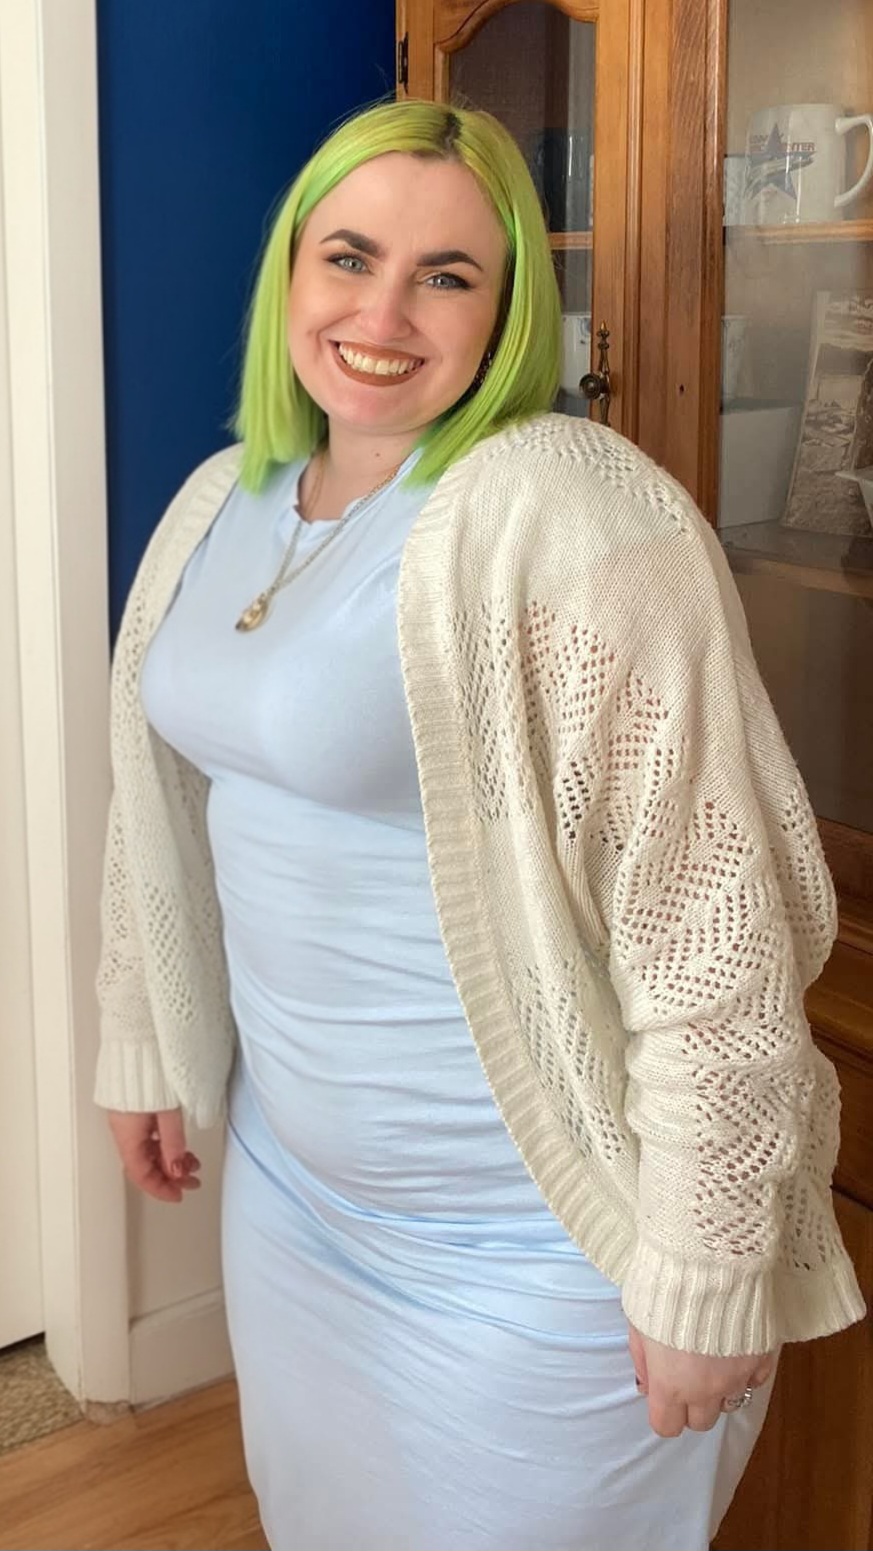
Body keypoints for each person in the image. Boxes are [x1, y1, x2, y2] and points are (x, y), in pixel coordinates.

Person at [96, 98, 865, 1551]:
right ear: (290, 271)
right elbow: (167, 810)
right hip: (292, 1193)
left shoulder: (570, 512)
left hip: (536, 1244)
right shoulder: (221, 501)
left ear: (508, 314)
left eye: (445, 276)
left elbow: (710, 922)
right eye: (349, 256)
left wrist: (706, 1264)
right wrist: (144, 1030)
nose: (382, 313)